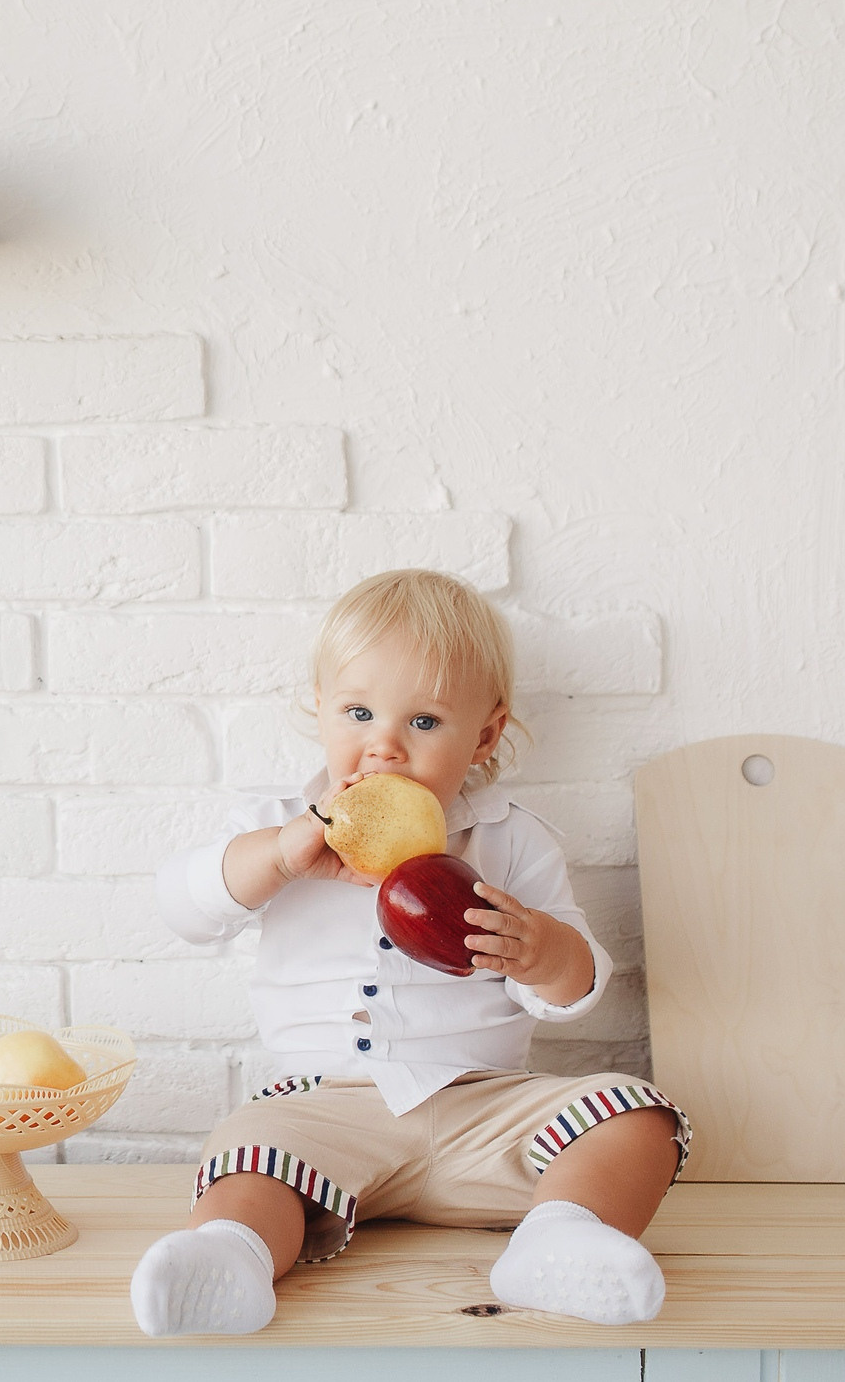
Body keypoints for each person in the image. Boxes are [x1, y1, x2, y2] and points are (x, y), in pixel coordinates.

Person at [130, 568, 689, 1336]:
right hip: (324, 1116)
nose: (384, 747)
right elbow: (185, 908)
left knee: (636, 1115)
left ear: (485, 736)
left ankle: (561, 1237)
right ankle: (231, 1257)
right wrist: (284, 854)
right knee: (247, 1148)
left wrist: (537, 951)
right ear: (319, 711)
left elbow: (575, 985)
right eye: (357, 712)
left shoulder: (510, 840)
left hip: (479, 1110)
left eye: (424, 722)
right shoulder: (286, 828)